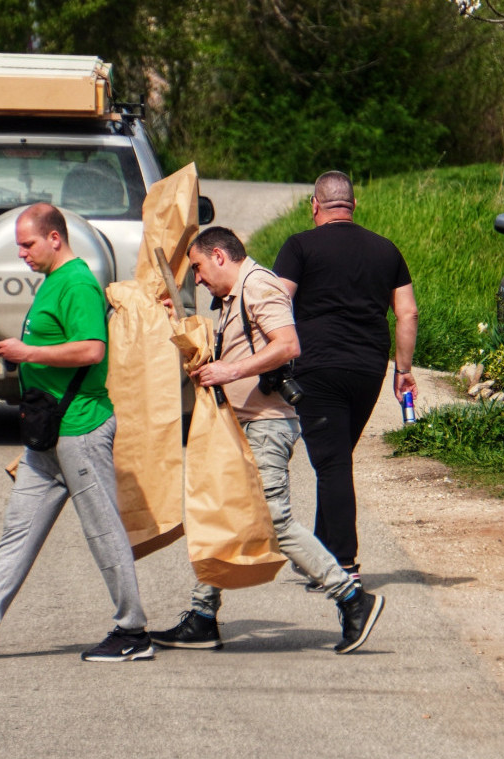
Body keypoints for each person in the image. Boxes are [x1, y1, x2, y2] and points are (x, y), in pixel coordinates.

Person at [0, 203, 152, 662]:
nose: (22, 254)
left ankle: (133, 632)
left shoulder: (78, 283)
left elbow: (91, 350)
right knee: (18, 528)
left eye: (27, 244)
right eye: (18, 246)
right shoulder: (52, 281)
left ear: (54, 237)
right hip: (49, 434)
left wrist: (26, 353)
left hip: (80, 429)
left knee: (104, 533)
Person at [152, 226, 385, 655]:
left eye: (199, 268)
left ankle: (352, 599)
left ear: (219, 255)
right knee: (218, 514)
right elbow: (228, 345)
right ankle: (203, 616)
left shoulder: (260, 286)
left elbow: (289, 345)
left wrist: (230, 373)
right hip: (238, 426)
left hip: (267, 425)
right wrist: (175, 320)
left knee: (276, 522)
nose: (198, 278)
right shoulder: (232, 297)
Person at [272, 170, 419, 583]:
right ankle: (320, 553)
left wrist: (270, 356)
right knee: (335, 457)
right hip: (368, 368)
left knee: (333, 462)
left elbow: (278, 300)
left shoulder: (300, 245)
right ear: (353, 205)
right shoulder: (386, 249)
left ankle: (344, 564)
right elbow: (407, 312)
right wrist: (402, 370)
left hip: (317, 367)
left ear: (315, 205)